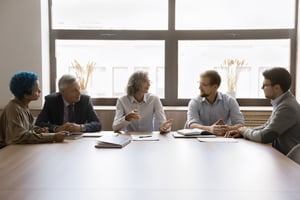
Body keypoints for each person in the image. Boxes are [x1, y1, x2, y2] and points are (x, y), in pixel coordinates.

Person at [225, 67, 300, 155]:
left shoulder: (287, 107)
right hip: (282, 156)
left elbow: (266, 136)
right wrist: (242, 131)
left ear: (277, 88)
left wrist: (245, 131)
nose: (262, 87)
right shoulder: (282, 102)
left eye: (265, 85)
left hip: (291, 162)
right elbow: (266, 126)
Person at [0, 71, 65, 148]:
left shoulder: (23, 106)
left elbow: (26, 128)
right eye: (37, 90)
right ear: (26, 95)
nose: (40, 91)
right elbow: (17, 138)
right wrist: (52, 137)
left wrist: (38, 130)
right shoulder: (13, 109)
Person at [185, 70, 244, 135]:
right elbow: (192, 124)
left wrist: (228, 128)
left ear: (215, 87)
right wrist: (210, 129)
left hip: (222, 139)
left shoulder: (229, 101)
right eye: (199, 83)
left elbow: (240, 124)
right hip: (199, 139)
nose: (199, 87)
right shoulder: (194, 102)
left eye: (204, 85)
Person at [35, 74, 101, 133]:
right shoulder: (51, 101)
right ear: (62, 92)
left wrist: (80, 127)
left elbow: (97, 124)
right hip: (57, 139)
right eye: (74, 90)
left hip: (79, 139)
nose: (79, 93)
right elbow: (39, 123)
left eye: (79, 89)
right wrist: (57, 128)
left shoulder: (85, 100)